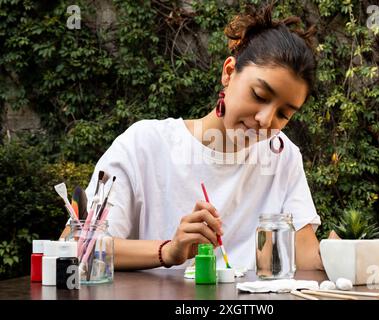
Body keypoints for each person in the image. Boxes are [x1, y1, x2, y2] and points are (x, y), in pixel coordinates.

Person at [61, 4, 324, 272]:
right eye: (259, 95)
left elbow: (305, 257)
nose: (266, 120)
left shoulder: (283, 156)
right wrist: (170, 250)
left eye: (284, 114)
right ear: (229, 72)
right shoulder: (144, 144)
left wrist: (345, 253)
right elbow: (77, 245)